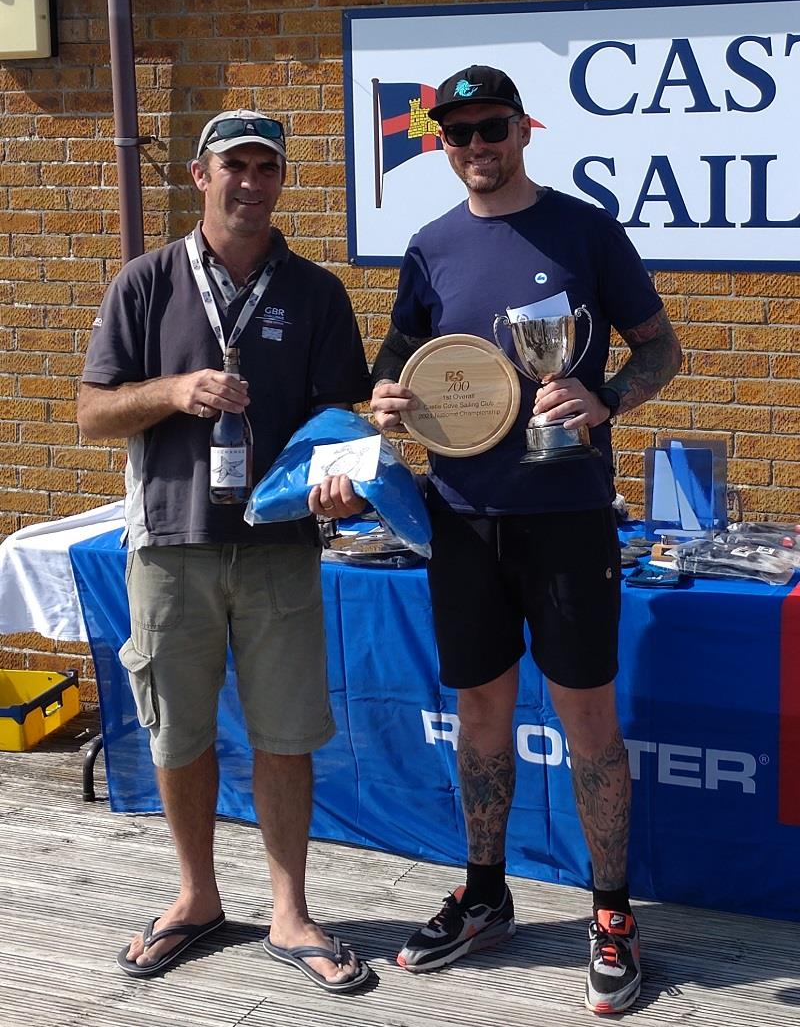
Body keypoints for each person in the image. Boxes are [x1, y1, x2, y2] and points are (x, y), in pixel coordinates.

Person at [370, 66, 681, 1015]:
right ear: (442, 142)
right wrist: (384, 403)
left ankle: (613, 913)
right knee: (480, 716)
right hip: (461, 517)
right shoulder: (428, 249)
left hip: (569, 518)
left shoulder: (586, 228)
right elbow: (396, 366)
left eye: (491, 128)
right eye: (456, 134)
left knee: (588, 721)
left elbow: (660, 347)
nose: (475, 147)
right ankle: (486, 892)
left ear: (523, 129)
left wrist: (608, 396)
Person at [77, 109, 371, 993]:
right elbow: (92, 413)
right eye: (233, 166)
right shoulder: (145, 282)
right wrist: (175, 389)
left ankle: (290, 910)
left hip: (280, 547)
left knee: (286, 735)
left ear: (282, 180)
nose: (251, 182)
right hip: (170, 546)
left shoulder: (317, 293)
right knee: (179, 734)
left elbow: (342, 428)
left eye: (266, 168)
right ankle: (197, 897)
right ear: (200, 177)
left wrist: (344, 483)